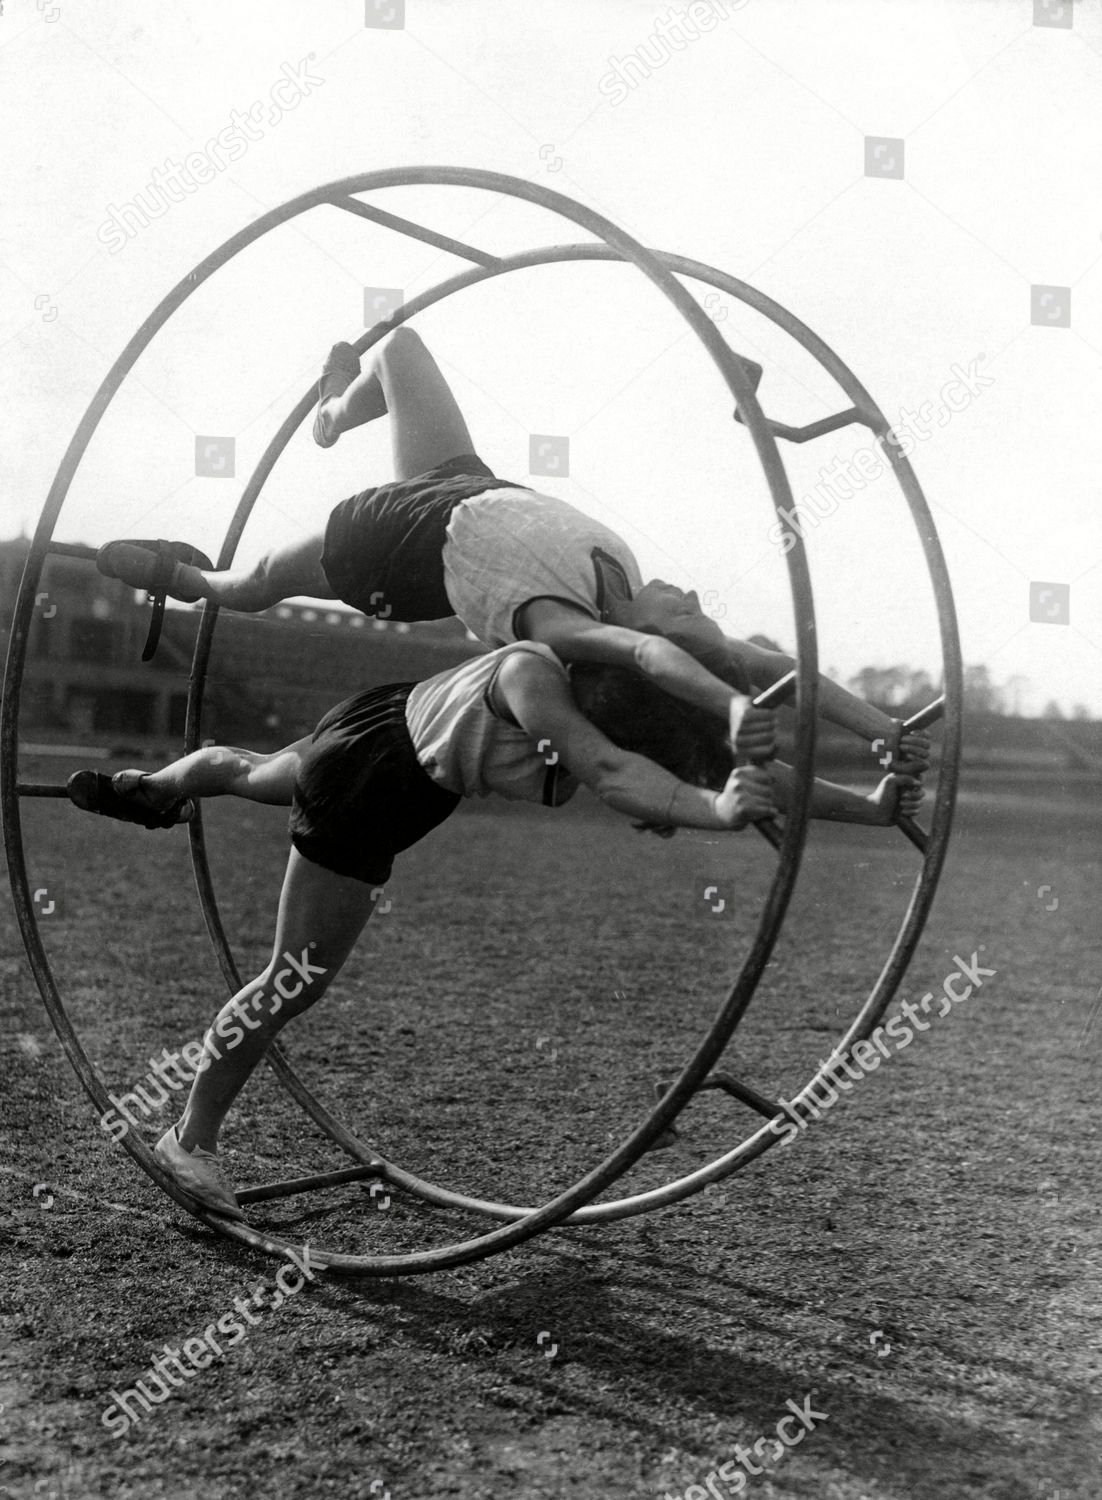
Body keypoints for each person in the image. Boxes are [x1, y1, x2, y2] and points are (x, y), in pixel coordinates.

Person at [68, 640, 924, 1219]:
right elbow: (617, 771)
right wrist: (713, 808)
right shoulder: (544, 688)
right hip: (376, 789)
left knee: (253, 770)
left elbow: (752, 772)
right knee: (294, 981)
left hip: (369, 726)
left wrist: (873, 808)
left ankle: (158, 786)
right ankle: (188, 1140)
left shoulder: (577, 664)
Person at [92, 327, 779, 755]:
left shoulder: (568, 628)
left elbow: (652, 653)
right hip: (460, 486)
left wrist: (729, 705)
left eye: (687, 611)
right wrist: (882, 730)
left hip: (391, 550)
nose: (689, 593)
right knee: (398, 350)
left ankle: (184, 581)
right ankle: (331, 414)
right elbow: (784, 670)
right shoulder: (626, 578)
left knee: (254, 583)